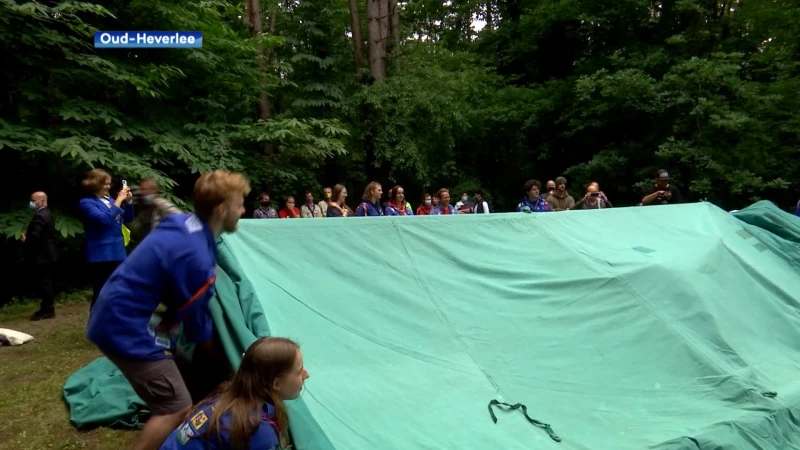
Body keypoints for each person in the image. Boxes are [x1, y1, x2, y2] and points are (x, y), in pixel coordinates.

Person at [86, 170, 250, 450]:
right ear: (222, 209)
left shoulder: (182, 223)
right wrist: (232, 357)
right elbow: (198, 327)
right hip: (125, 328)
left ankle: (205, 433)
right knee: (174, 406)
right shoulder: (197, 259)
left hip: (118, 313)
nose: (243, 210)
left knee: (190, 371)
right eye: (240, 204)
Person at [160, 337, 309, 450]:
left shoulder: (228, 395)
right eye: (299, 371)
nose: (306, 374)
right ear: (275, 384)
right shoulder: (259, 430)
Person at [79, 169, 134, 309]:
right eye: (106, 184)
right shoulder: (86, 203)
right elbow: (103, 220)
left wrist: (128, 202)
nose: (109, 187)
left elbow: (128, 218)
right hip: (101, 254)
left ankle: (114, 322)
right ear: (95, 184)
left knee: (119, 290)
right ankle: (95, 325)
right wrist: (119, 200)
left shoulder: (109, 201)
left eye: (109, 184)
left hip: (117, 250)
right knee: (101, 292)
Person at [22, 191, 58, 320]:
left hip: (42, 255)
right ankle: (46, 307)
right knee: (45, 282)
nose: (31, 203)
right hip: (48, 254)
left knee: (45, 283)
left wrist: (26, 240)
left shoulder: (40, 216)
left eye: (33, 200)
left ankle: (48, 309)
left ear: (41, 201)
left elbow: (36, 236)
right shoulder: (47, 212)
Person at [130, 178, 181, 245]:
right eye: (141, 189)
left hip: (160, 244)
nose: (141, 192)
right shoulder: (144, 206)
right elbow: (135, 228)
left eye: (144, 189)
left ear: (153, 190)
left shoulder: (161, 204)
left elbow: (179, 217)